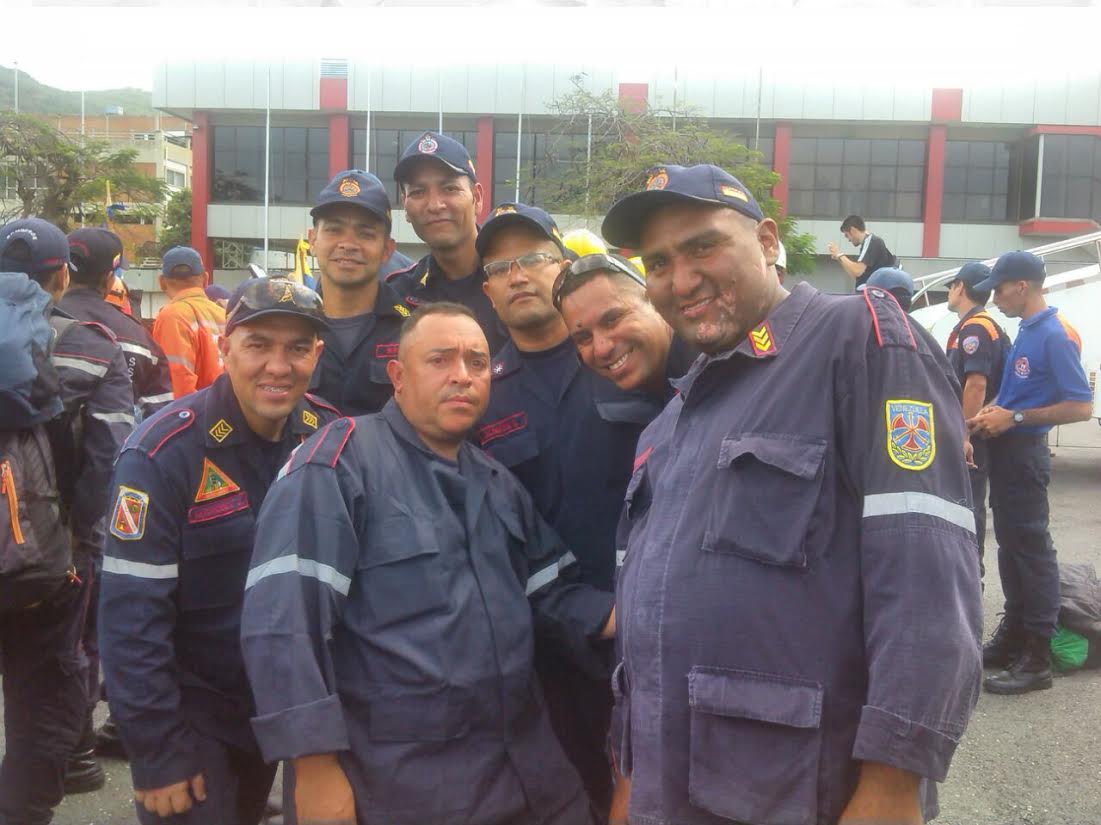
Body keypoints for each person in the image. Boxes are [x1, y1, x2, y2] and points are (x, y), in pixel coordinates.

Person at [600, 163, 982, 825]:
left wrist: (892, 785)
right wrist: (633, 778)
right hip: (675, 790)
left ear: (767, 240)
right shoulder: (673, 417)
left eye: (701, 246)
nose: (680, 280)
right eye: (657, 262)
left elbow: (927, 581)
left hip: (798, 793)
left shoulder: (859, 342)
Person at [241, 303, 615, 825]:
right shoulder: (338, 464)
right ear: (398, 377)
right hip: (403, 784)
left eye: (477, 363)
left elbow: (552, 592)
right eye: (439, 360)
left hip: (529, 774)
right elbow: (284, 625)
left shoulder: (497, 483)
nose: (462, 376)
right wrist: (315, 771)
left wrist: (637, 612)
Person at [98, 277, 336, 825]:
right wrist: (157, 752)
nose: (279, 365)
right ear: (224, 346)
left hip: (278, 704)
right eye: (258, 345)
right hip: (193, 712)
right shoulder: (162, 454)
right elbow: (130, 618)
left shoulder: (328, 434)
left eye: (298, 347)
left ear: (316, 355)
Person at [475, 204, 669, 815]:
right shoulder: (477, 392)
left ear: (562, 265)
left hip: (648, 633)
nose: (518, 274)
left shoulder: (630, 357)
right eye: (500, 266)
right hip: (543, 652)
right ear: (486, 289)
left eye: (532, 257)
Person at [0, 217, 135, 816]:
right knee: (42, 709)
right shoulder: (96, 344)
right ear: (59, 277)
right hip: (48, 568)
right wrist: (79, 542)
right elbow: (111, 462)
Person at [968, 251, 1093, 695]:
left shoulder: (1055, 335)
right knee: (1011, 547)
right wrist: (997, 409)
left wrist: (1015, 419)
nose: (995, 298)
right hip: (1008, 452)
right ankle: (1014, 636)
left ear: (1022, 286)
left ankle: (1036, 656)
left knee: (1032, 552)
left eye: (1000, 289)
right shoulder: (1027, 330)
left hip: (1025, 454)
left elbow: (1081, 406)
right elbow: (1023, 391)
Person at [386, 131, 508, 353]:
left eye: (449, 189)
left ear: (477, 198)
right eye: (418, 192)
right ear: (405, 205)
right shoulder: (397, 296)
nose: (434, 205)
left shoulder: (516, 279)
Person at [307, 169, 411, 416]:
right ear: (312, 241)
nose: (348, 244)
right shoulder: (288, 326)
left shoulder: (413, 329)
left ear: (387, 249)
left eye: (365, 234)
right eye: (334, 230)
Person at [63, 227, 174, 418]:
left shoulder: (30, 319)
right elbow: (160, 420)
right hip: (116, 445)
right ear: (108, 278)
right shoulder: (139, 339)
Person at [554, 250, 696, 398]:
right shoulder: (604, 402)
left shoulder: (714, 370)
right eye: (584, 338)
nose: (602, 349)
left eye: (612, 320)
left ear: (654, 301)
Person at [945, 261, 1010, 571]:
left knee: (967, 506)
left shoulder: (975, 327)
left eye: (951, 285)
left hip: (973, 437)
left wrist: (963, 434)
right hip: (979, 432)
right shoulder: (982, 323)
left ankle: (971, 574)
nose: (949, 291)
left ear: (961, 287)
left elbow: (976, 384)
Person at [153, 246, 226, 398]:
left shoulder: (172, 316)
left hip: (198, 416)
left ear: (162, 283)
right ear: (206, 279)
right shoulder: (224, 314)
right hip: (226, 409)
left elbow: (178, 385)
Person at [827, 214, 896, 290]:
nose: (848, 240)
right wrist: (839, 258)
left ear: (853, 230)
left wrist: (840, 254)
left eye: (847, 235)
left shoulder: (871, 241)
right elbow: (855, 275)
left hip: (875, 294)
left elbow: (857, 271)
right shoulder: (869, 243)